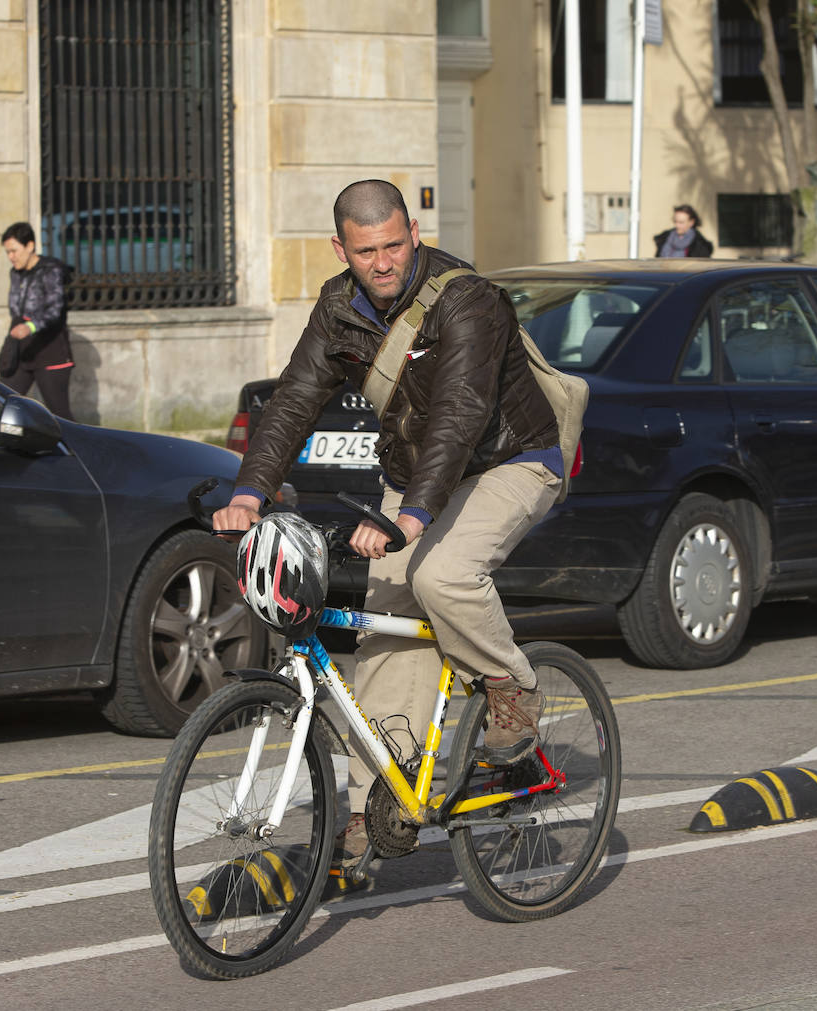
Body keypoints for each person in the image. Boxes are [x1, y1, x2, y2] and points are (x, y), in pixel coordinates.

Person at [212, 179, 563, 878]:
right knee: (384, 628)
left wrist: (410, 516)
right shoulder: (339, 306)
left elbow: (460, 414)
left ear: (415, 234)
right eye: (367, 250)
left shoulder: (469, 302)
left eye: (395, 245)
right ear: (341, 249)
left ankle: (511, 689)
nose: (383, 262)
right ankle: (380, 813)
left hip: (511, 461)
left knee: (441, 573)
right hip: (419, 480)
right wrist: (249, 491)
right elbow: (294, 399)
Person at [0, 221, 75, 420]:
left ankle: (79, 449)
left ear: (30, 246)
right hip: (21, 350)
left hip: (49, 349)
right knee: (1, 403)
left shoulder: (50, 270)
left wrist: (31, 326)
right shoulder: (15, 273)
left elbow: (56, 310)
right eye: (7, 252)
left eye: (14, 251)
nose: (11, 257)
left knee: (60, 415)